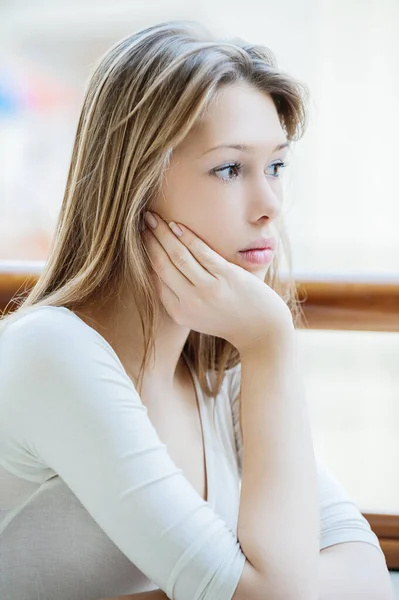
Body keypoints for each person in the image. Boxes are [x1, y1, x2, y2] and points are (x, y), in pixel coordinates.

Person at [0, 19, 393, 600]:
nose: (270, 206)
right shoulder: (54, 352)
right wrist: (270, 341)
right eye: (230, 168)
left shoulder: (217, 363)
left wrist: (263, 350)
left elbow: (367, 580)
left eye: (276, 166)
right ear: (137, 184)